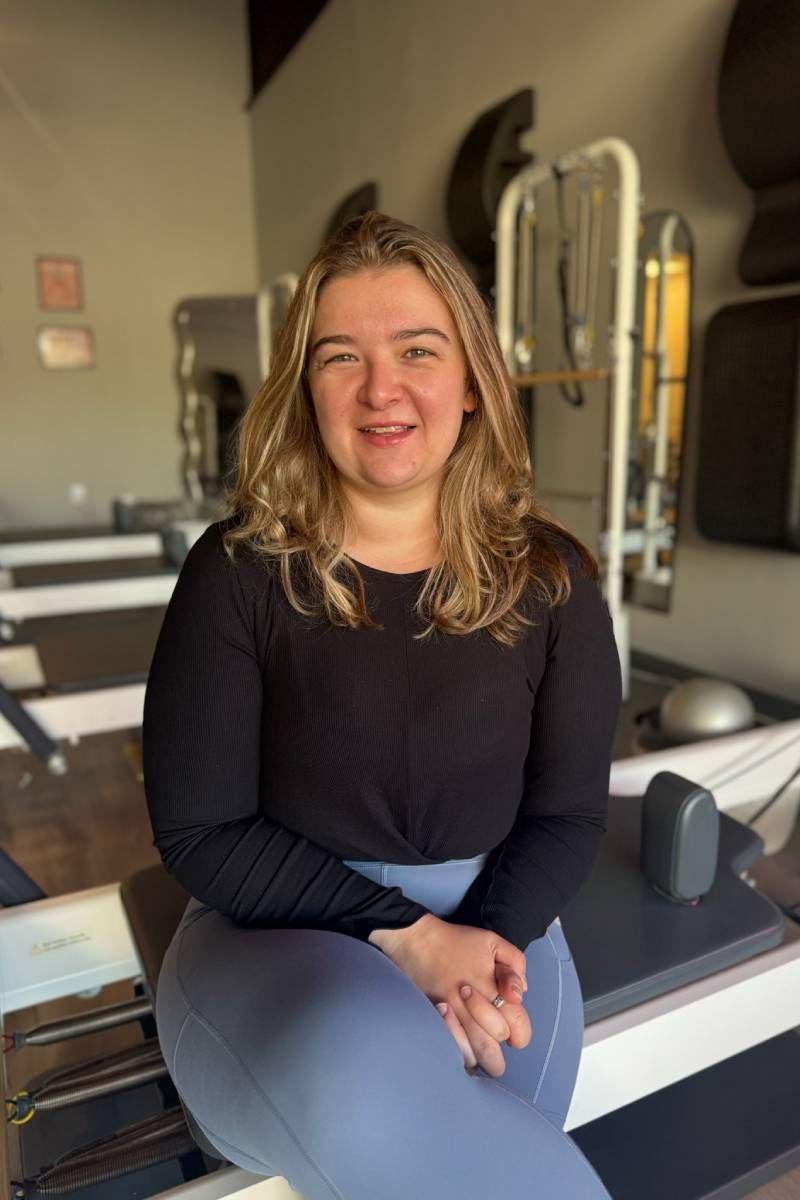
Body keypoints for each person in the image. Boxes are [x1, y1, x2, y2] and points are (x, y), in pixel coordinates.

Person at [144, 211, 621, 1199]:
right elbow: (201, 831)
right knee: (377, 1091)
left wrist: (480, 942)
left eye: (416, 349)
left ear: (471, 382)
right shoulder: (238, 574)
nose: (380, 389)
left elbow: (568, 812)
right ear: (304, 393)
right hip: (275, 938)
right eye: (338, 358)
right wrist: (408, 938)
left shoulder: (554, 581)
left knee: (490, 1137)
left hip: (500, 931)